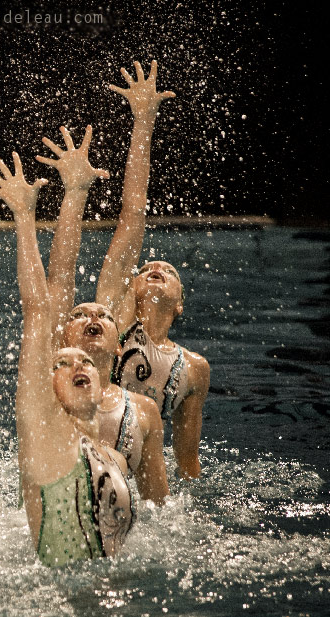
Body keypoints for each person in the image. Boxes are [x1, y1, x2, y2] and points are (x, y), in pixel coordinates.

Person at [0, 152, 134, 566]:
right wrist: (25, 217)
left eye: (80, 361)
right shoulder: (41, 426)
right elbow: (41, 303)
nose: (77, 365)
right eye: (60, 364)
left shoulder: (115, 457)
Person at [36, 124, 169, 503]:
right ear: (62, 336)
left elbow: (160, 507)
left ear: (118, 348)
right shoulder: (48, 388)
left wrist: (144, 119)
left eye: (106, 317)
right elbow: (61, 273)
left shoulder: (143, 414)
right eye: (80, 315)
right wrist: (75, 191)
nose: (95, 317)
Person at [94, 61, 210, 479]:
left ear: (180, 304)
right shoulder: (114, 317)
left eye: (169, 271)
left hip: (143, 479)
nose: (155, 266)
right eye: (146, 268)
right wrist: (144, 121)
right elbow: (133, 214)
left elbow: (187, 461)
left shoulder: (194, 368)